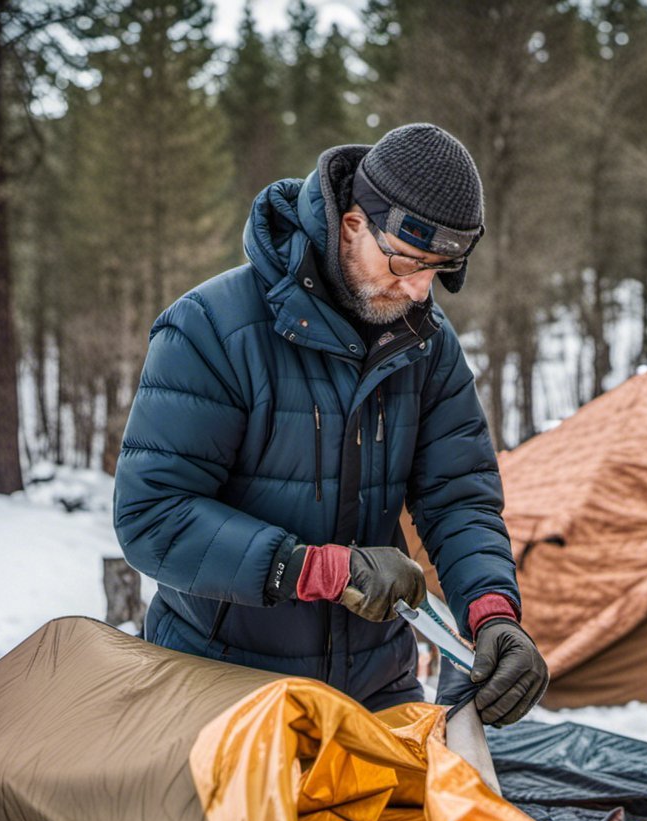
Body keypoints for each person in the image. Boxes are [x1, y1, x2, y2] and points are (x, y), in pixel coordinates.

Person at [113, 123, 548, 725]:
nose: (421, 288)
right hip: (222, 685)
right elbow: (152, 517)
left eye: (439, 270)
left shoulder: (426, 342)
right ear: (351, 224)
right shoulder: (211, 328)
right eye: (407, 260)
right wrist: (318, 570)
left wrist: (493, 612)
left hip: (375, 687)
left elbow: (459, 497)